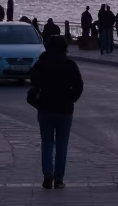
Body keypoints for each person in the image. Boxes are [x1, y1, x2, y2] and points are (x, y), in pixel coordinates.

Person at [28, 36, 84, 190]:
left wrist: (38, 101)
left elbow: (33, 82)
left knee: (47, 143)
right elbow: (79, 86)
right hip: (65, 109)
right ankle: (59, 179)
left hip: (45, 108)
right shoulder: (70, 65)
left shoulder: (42, 64)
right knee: (62, 144)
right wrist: (71, 99)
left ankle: (48, 174)